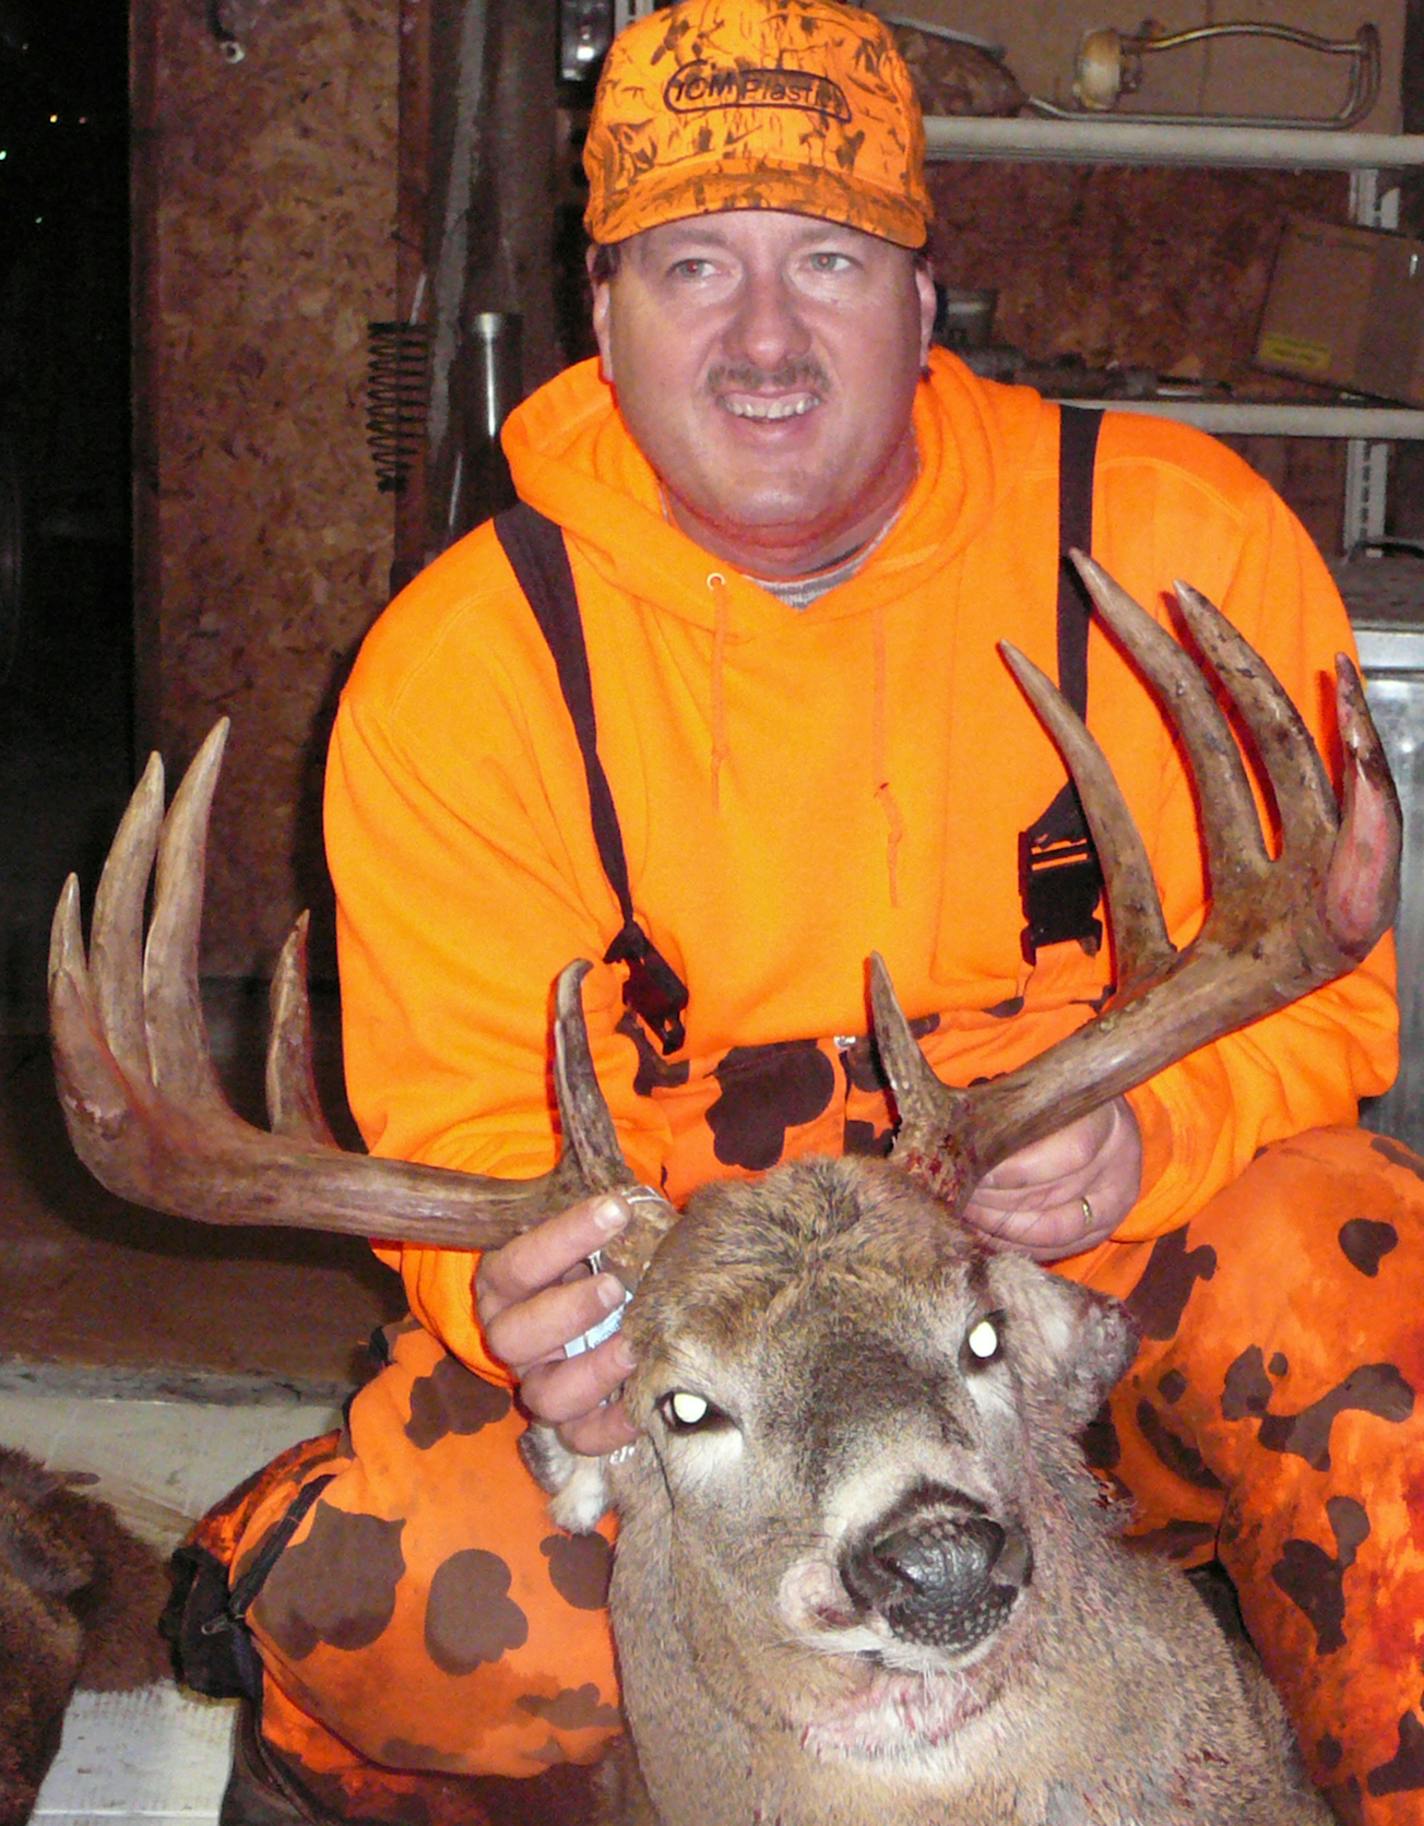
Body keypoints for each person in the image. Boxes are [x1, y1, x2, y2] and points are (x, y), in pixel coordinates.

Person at [174, 4, 1423, 1822]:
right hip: (713, 1335)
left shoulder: (1169, 535)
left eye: (828, 261)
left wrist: (1161, 1117)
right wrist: (511, 1292)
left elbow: (1333, 1000)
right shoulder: (467, 667)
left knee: (1380, 1329)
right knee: (398, 1620)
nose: (763, 340)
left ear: (924, 300)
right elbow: (459, 1121)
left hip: (1082, 1265)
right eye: (695, 267)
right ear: (603, 316)